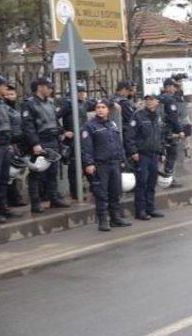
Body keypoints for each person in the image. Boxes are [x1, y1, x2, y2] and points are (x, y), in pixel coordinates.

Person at [81, 98, 132, 232]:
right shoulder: (90, 126)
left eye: (103, 107)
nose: (100, 110)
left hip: (114, 163)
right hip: (100, 164)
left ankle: (115, 218)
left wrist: (122, 160)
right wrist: (89, 163)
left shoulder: (112, 124)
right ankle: (103, 220)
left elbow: (118, 143)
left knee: (115, 192)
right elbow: (87, 147)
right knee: (101, 193)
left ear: (108, 110)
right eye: (98, 107)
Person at [22, 78, 70, 213]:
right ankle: (36, 203)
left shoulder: (50, 103)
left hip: (53, 140)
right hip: (40, 140)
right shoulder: (29, 104)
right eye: (48, 87)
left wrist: (62, 132)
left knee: (53, 172)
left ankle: (54, 199)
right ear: (40, 87)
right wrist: (35, 144)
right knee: (37, 174)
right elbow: (28, 126)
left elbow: (54, 120)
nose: (51, 90)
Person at [125, 94, 166, 220]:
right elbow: (129, 136)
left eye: (151, 100)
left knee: (152, 183)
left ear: (157, 101)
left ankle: (150, 208)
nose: (149, 102)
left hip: (154, 154)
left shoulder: (159, 116)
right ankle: (140, 211)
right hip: (142, 155)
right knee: (142, 183)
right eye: (147, 100)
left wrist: (162, 152)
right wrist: (134, 152)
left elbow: (161, 136)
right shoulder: (138, 115)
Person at [0, 76, 20, 223]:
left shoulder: (1, 102)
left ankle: (3, 208)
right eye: (3, 85)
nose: (6, 88)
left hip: (5, 145)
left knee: (3, 179)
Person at [57, 82, 95, 200]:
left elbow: (99, 103)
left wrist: (113, 103)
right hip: (73, 141)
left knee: (87, 163)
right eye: (80, 92)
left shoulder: (84, 103)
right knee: (74, 167)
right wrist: (63, 131)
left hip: (83, 139)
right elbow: (53, 117)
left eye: (84, 92)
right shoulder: (68, 104)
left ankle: (94, 189)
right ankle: (75, 193)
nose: (83, 94)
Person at [4, 84, 27, 208]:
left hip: (19, 143)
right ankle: (9, 200)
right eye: (7, 94)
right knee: (8, 174)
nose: (10, 96)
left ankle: (16, 197)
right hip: (8, 144)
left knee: (16, 173)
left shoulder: (19, 107)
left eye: (12, 94)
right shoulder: (2, 108)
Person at [159, 78, 185, 186]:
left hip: (159, 130)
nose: (175, 89)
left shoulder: (160, 97)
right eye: (174, 86)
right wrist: (180, 130)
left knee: (160, 155)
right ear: (168, 87)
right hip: (168, 131)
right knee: (171, 155)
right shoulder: (169, 99)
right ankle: (168, 179)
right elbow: (173, 117)